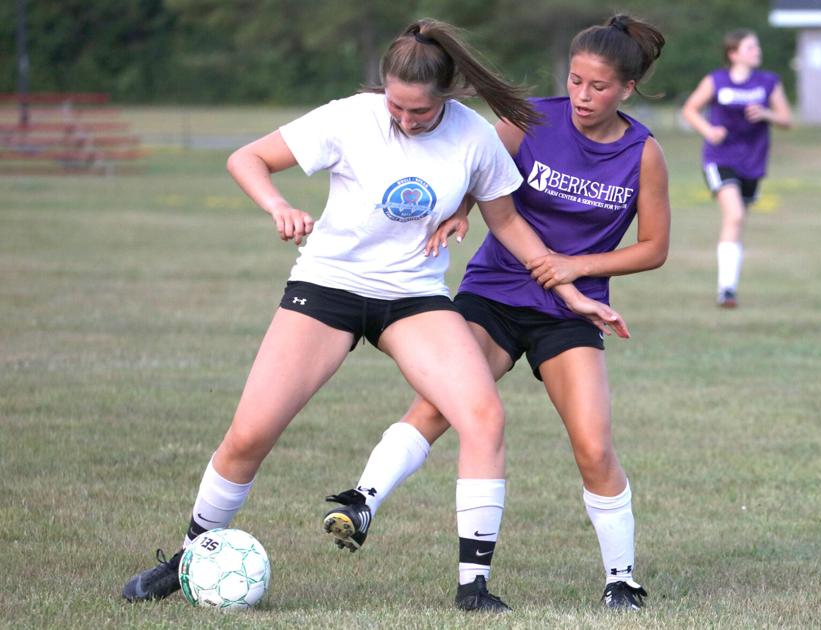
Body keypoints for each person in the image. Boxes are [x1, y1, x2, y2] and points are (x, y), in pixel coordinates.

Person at [120, 18, 628, 612]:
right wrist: (279, 205)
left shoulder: (473, 136)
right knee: (250, 434)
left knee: (482, 416)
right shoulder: (349, 116)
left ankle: (473, 588)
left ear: (448, 96)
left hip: (412, 295)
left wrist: (571, 292)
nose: (405, 120)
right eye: (396, 105)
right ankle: (188, 555)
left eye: (419, 111)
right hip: (329, 286)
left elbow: (509, 222)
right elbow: (248, 159)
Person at [322, 14, 670, 611]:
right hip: (495, 293)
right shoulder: (529, 120)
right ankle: (361, 500)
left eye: (599, 87)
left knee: (593, 446)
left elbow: (653, 249)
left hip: (569, 312)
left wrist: (576, 268)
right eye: (577, 80)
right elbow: (477, 177)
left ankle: (622, 579)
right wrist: (459, 210)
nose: (583, 97)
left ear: (627, 90)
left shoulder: (644, 154)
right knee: (442, 403)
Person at [681, 29, 792, 308]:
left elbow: (786, 119)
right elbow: (690, 109)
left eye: (757, 46)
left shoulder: (768, 82)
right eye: (751, 47)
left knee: (738, 222)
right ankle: (726, 290)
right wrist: (708, 130)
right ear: (733, 54)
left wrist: (766, 113)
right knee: (735, 215)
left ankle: (729, 286)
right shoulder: (716, 80)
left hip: (753, 161)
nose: (757, 51)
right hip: (720, 158)